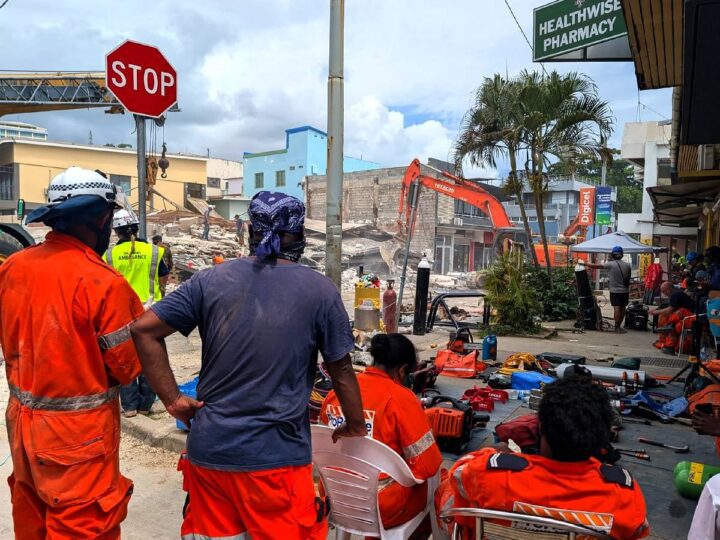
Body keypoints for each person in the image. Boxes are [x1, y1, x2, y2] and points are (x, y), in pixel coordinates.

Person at [130, 190, 367, 540]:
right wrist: (355, 423)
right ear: (299, 234)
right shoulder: (320, 291)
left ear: (251, 232)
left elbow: (144, 329)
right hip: (277, 463)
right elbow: (341, 370)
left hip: (211, 454)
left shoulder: (210, 279)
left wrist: (172, 399)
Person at [0, 167, 144, 538]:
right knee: (83, 526)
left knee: (32, 517)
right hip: (78, 440)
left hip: (22, 426)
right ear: (102, 218)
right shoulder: (103, 283)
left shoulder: (13, 267)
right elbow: (128, 368)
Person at [435, 377, 649, 539]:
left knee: (445, 486)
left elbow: (458, 476)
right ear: (603, 437)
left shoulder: (486, 474)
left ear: (541, 427)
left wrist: (493, 452)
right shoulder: (625, 494)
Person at [320, 333, 442, 531]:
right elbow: (427, 466)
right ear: (402, 371)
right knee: (439, 485)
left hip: (334, 498)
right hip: (380, 507)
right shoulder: (401, 399)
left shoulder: (337, 393)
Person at [104, 210, 169, 417]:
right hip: (151, 312)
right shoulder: (154, 251)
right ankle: (145, 404)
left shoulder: (109, 255)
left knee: (125, 358)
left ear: (116, 231)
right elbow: (163, 278)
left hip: (120, 314)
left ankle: (130, 406)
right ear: (136, 227)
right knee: (150, 357)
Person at [583, 245, 631, 333]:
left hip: (614, 291)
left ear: (613, 255)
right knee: (623, 308)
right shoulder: (627, 265)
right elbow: (628, 278)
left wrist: (585, 263)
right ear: (622, 255)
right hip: (625, 290)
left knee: (617, 308)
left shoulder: (610, 264)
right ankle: (619, 326)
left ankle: (616, 327)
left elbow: (595, 266)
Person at [649, 281, 696, 354]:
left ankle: (669, 345)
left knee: (671, 324)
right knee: (666, 319)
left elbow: (669, 310)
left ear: (668, 289)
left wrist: (656, 312)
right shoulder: (678, 293)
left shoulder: (675, 294)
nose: (664, 293)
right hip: (689, 318)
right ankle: (665, 341)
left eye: (663, 291)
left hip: (690, 318)